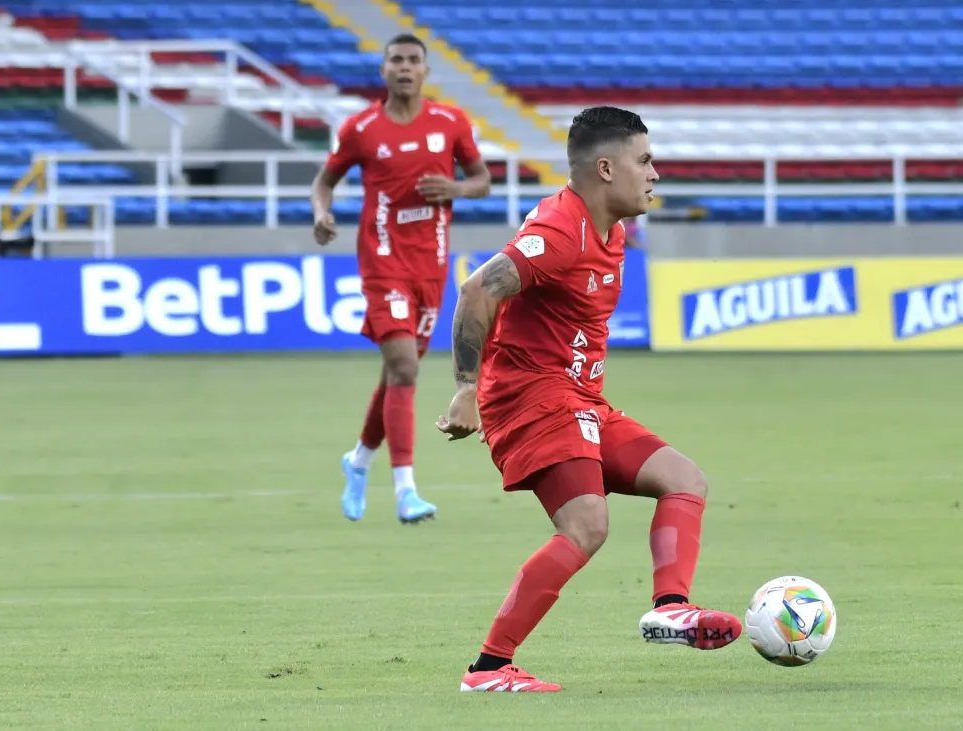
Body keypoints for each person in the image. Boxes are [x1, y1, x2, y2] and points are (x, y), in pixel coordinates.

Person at [437, 107, 741, 692]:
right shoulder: (558, 231)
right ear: (606, 168)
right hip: (530, 396)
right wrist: (465, 391)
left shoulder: (614, 231)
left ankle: (670, 607)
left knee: (684, 479)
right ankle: (490, 669)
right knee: (586, 525)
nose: (655, 174)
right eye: (644, 161)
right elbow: (478, 289)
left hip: (578, 397)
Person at [311, 33, 491, 524]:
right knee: (407, 369)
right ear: (383, 70)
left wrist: (455, 187)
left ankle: (358, 461)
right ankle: (406, 492)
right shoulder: (361, 128)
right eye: (396, 60)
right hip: (382, 263)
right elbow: (324, 181)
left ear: (426, 70)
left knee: (396, 373)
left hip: (430, 267)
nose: (405, 67)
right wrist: (321, 214)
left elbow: (482, 180)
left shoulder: (450, 122)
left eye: (414, 60)